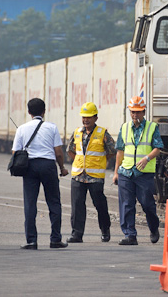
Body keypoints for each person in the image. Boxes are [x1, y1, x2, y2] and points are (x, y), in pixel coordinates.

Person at [12, 98, 69, 250]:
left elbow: (15, 152)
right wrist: (62, 168)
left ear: (29, 112)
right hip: (48, 166)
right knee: (54, 202)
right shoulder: (52, 127)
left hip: (29, 167)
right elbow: (58, 152)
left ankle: (31, 240)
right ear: (44, 111)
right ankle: (55, 239)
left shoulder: (22, 129)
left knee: (30, 204)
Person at [112, 96, 163, 245]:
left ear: (144, 112)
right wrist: (116, 172)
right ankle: (130, 235)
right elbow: (120, 151)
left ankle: (154, 228)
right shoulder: (125, 127)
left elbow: (158, 147)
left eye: (138, 112)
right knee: (126, 204)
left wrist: (147, 158)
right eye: (133, 112)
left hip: (144, 173)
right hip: (126, 173)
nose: (135, 115)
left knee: (147, 204)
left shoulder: (152, 127)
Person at [66, 102, 116, 243]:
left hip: (95, 177)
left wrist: (101, 161)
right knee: (77, 205)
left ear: (95, 118)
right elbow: (70, 150)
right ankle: (76, 234)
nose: (85, 120)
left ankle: (105, 230)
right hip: (78, 175)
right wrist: (79, 162)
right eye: (84, 117)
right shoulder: (77, 132)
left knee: (100, 204)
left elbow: (112, 151)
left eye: (89, 117)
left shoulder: (102, 133)